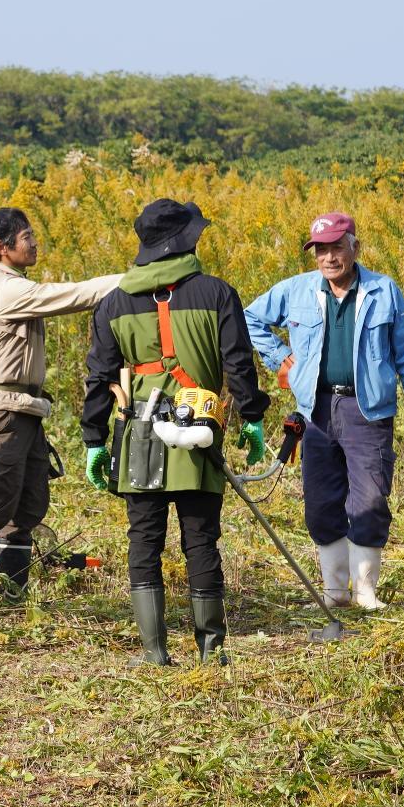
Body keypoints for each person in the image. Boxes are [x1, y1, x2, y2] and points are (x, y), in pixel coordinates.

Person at [80, 199, 270, 665]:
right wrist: (251, 416)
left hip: (138, 433)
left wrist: (93, 441)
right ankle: (211, 651)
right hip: (198, 426)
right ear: (183, 241)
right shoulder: (217, 293)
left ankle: (154, 651)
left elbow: (100, 376)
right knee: (201, 537)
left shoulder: (113, 304)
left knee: (144, 539)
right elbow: (238, 363)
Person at [243, 211, 404, 612]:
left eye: (336, 247)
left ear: (354, 248)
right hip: (316, 410)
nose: (329, 257)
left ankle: (366, 592)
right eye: (321, 250)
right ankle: (334, 592)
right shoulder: (297, 291)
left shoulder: (383, 290)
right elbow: (250, 318)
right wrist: (281, 359)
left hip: (368, 409)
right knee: (321, 500)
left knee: (371, 498)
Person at [0, 208, 120, 601]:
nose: (34, 242)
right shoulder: (7, 288)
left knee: (28, 506)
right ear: (2, 248)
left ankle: (11, 596)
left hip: (24, 408)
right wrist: (132, 280)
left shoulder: (12, 283)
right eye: (26, 236)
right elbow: (70, 295)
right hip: (2, 413)